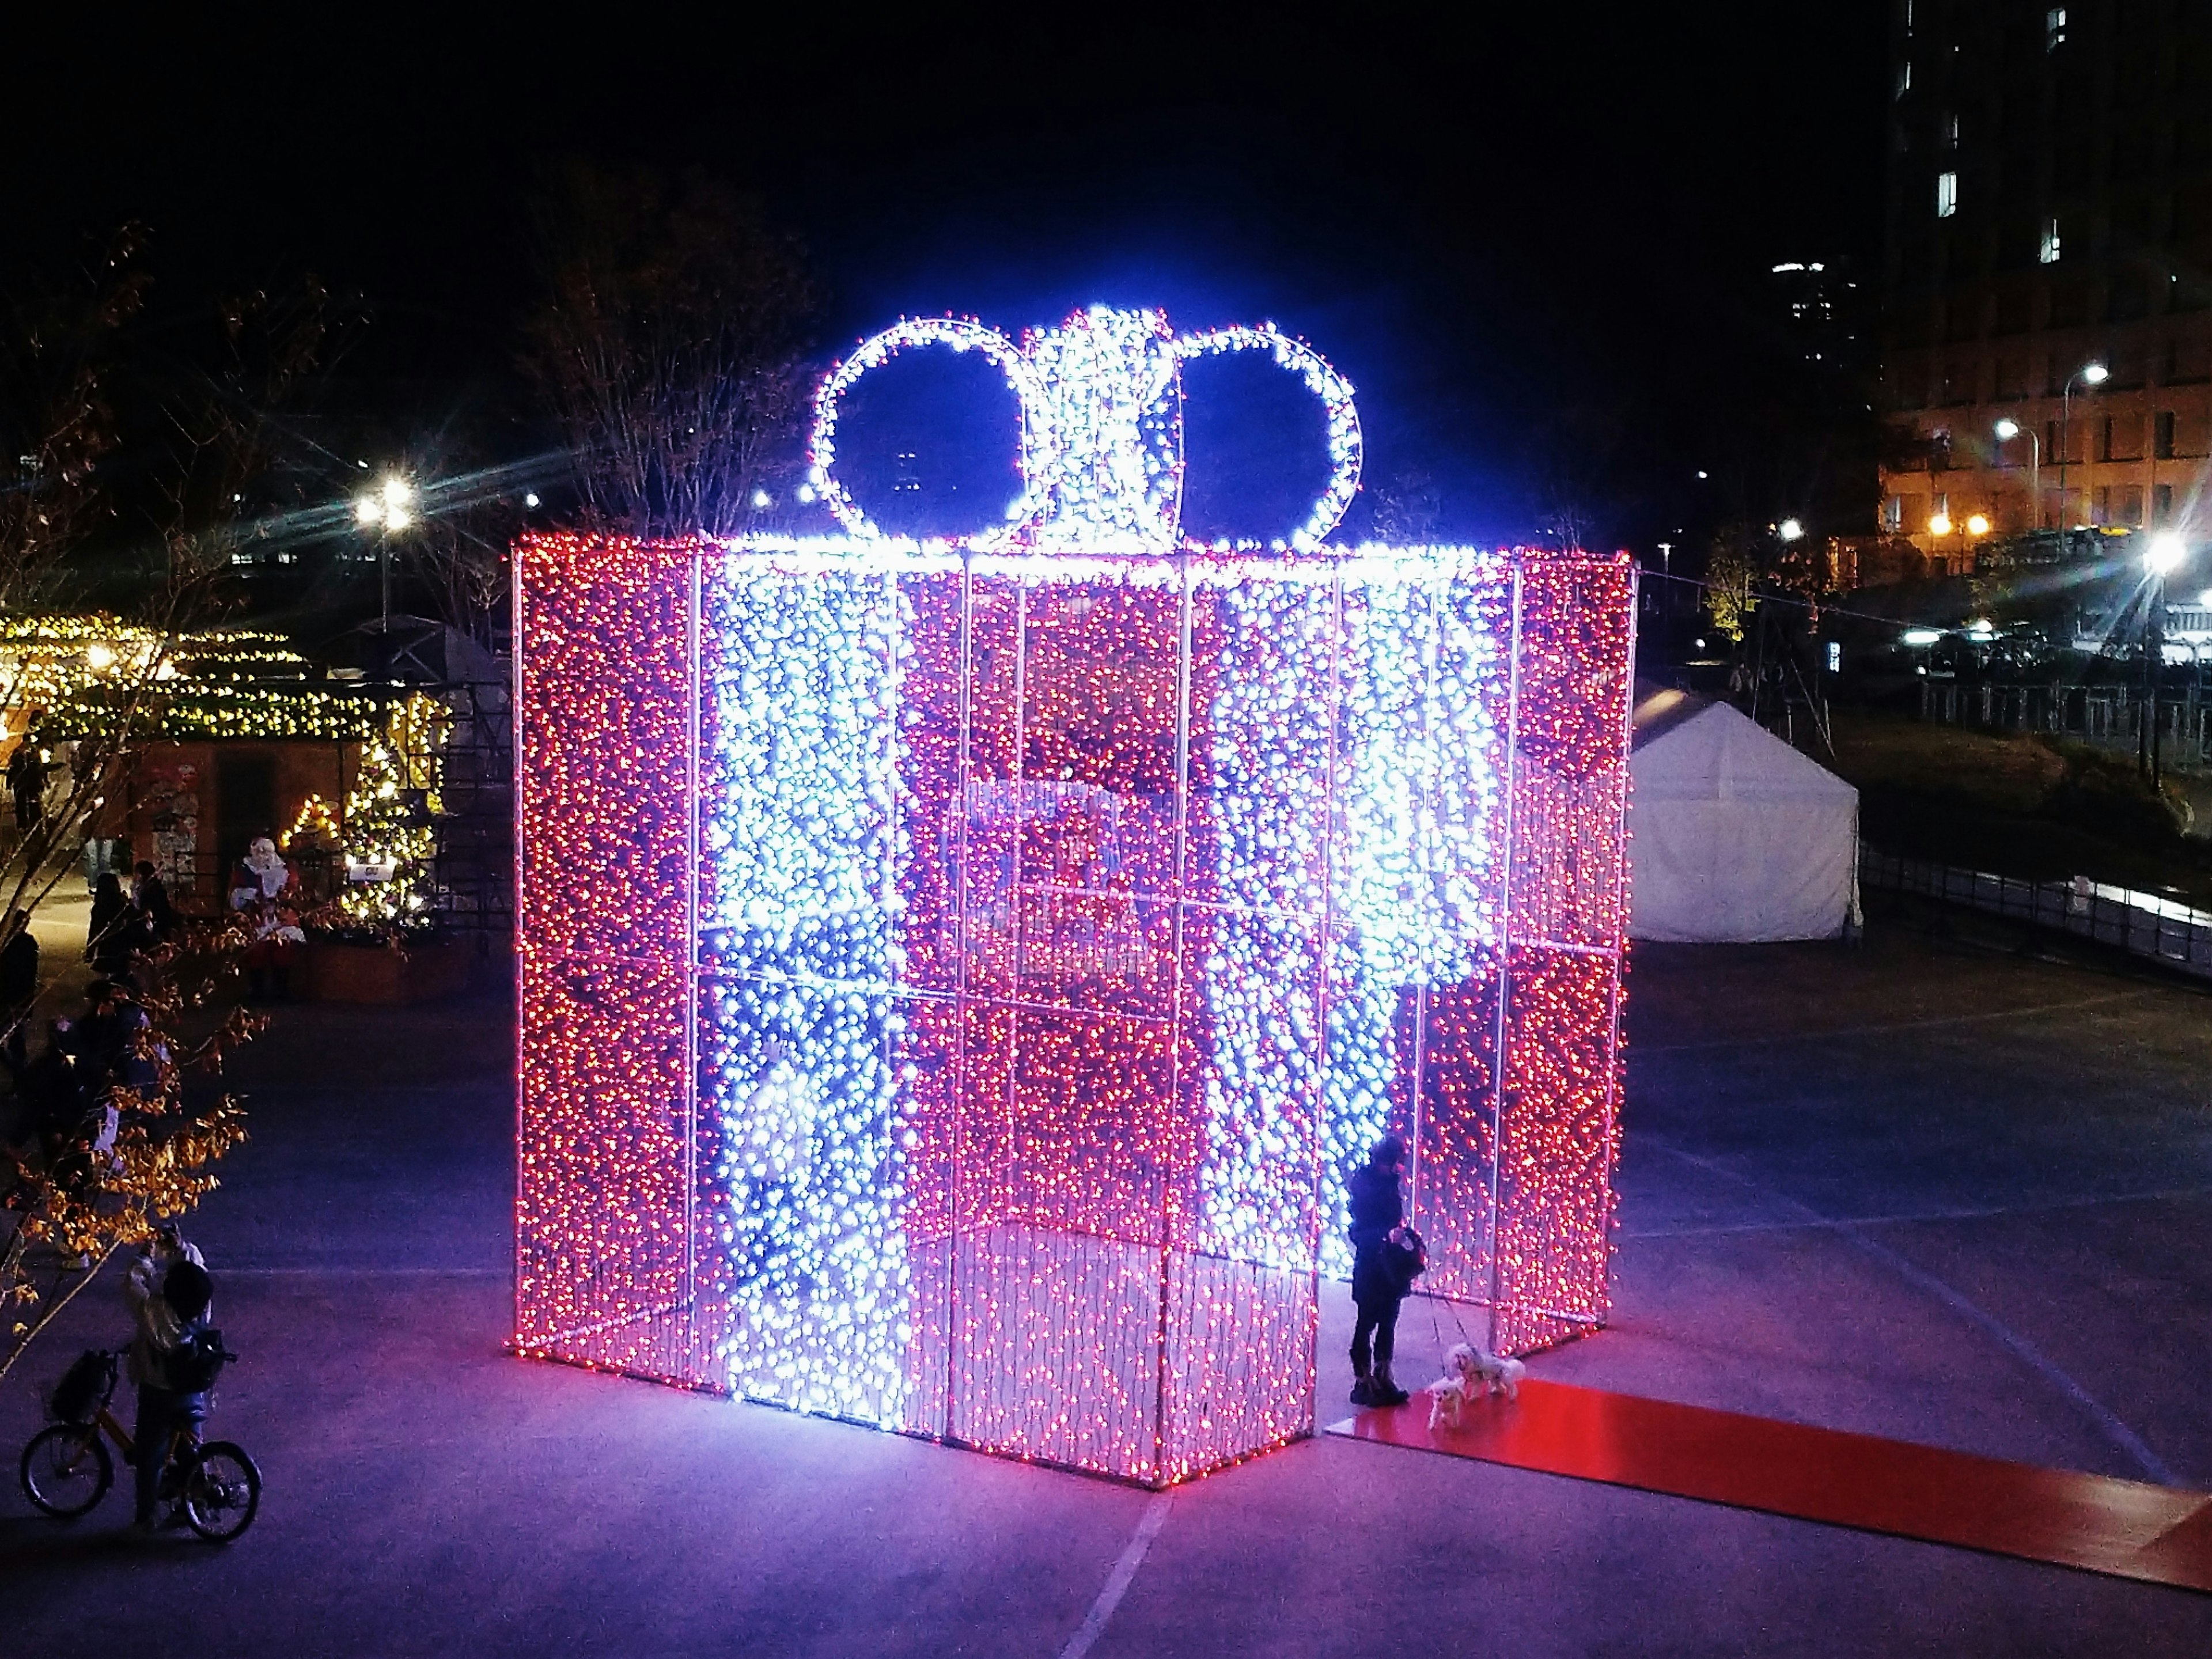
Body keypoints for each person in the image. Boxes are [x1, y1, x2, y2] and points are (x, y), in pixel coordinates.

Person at [123, 1240, 212, 1532]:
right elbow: (195, 1272)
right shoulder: (201, 1309)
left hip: (158, 1392)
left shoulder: (155, 1314)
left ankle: (145, 1518)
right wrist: (181, 1247)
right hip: (193, 1390)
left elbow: (132, 1284)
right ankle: (199, 1503)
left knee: (150, 1456)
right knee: (190, 1447)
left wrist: (146, 1257)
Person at [1348, 1133, 1414, 1407]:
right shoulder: (1365, 1187)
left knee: (1388, 1322)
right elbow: (1359, 1231)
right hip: (1371, 1267)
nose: (1399, 1168)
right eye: (1396, 1163)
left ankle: (1384, 1375)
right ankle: (1363, 1380)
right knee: (1367, 1322)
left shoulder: (1389, 1185)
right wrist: (1386, 1235)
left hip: (1390, 1267)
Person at [0, 908, 37, 1072]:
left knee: (16, 1036)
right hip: (16, 996)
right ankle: (19, 1071)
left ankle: (19, 1072)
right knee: (16, 1036)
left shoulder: (12, 942)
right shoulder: (24, 943)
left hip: (13, 996)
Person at [230, 835, 293, 913]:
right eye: (258, 852)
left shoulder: (282, 872)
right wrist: (247, 894)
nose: (262, 856)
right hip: (252, 914)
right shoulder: (244, 870)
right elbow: (235, 901)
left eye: (266, 852)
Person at [87, 871, 132, 978]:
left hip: (108, 945)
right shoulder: (123, 902)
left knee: (108, 974)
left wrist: (90, 948)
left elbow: (96, 927)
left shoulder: (101, 906)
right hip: (124, 943)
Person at [131, 861, 177, 946]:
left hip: (155, 927)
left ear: (141, 874)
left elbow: (159, 910)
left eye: (136, 873)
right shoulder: (148, 887)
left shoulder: (152, 889)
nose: (135, 877)